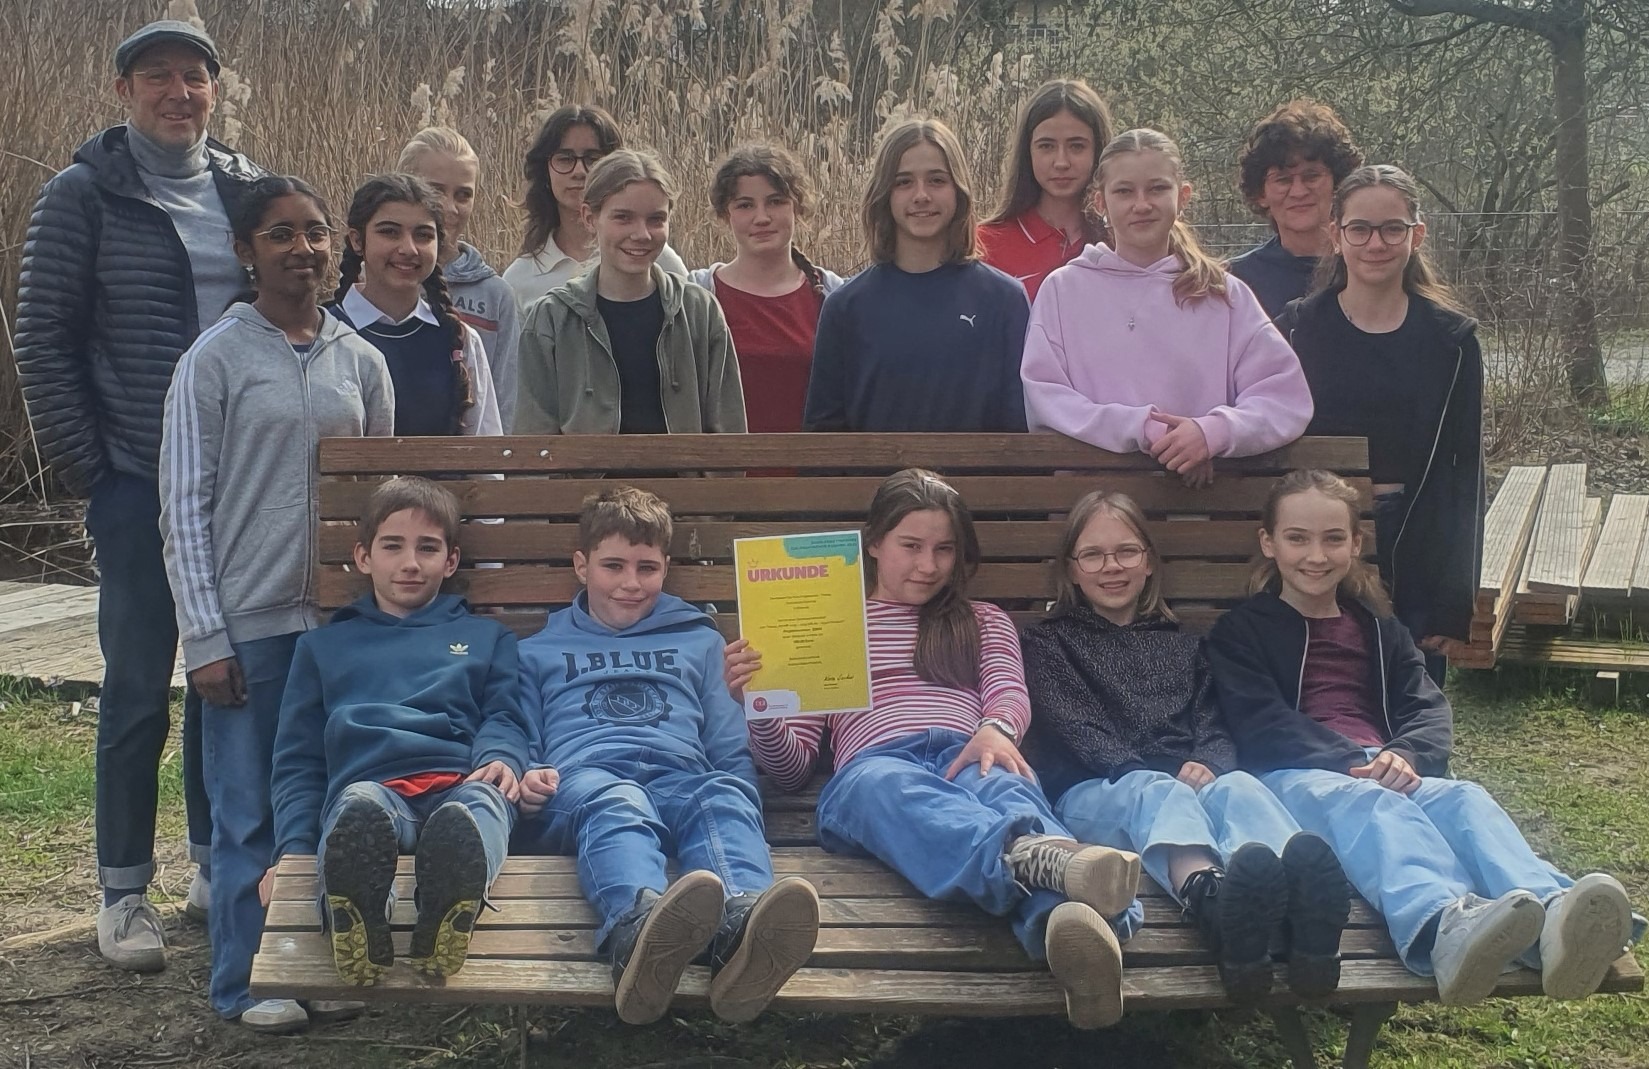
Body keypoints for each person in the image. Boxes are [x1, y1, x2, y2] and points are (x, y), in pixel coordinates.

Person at [12, 18, 266, 970]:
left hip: (237, 482)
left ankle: (210, 859)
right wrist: (97, 470)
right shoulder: (81, 194)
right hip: (136, 476)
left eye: (194, 76)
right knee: (134, 688)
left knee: (222, 675)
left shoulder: (247, 190)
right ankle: (123, 890)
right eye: (156, 76)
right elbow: (42, 340)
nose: (177, 92)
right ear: (124, 92)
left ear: (214, 90)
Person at [1206, 469, 1643, 1005]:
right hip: (1294, 778)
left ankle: (1556, 919)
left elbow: (1427, 705)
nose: (1316, 555)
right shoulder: (1240, 632)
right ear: (1268, 543)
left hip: (1387, 767)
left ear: (1356, 544)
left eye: (1333, 538)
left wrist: (1405, 753)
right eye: (1298, 538)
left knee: (1464, 799)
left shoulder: (1379, 629)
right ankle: (1442, 926)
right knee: (1374, 804)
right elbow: (1258, 721)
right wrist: (1357, 760)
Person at [727, 469, 1144, 1029]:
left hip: (970, 751)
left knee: (1007, 787)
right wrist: (763, 709)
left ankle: (1068, 930)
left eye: (944, 549)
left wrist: (997, 728)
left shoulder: (981, 620)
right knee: (883, 788)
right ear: (874, 544)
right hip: (877, 766)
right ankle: (1059, 883)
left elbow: (1007, 690)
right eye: (911, 546)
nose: (928, 565)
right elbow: (791, 769)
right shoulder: (826, 626)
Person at [159, 175, 395, 1029]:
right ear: (245, 251)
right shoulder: (213, 359)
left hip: (335, 627)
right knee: (248, 810)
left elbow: (379, 505)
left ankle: (320, 966)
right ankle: (247, 978)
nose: (303, 249)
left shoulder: (361, 362)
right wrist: (205, 635)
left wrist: (375, 622)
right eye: (281, 234)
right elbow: (184, 504)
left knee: (335, 800)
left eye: (316, 232)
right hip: (249, 625)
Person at [1019, 490, 1350, 1002]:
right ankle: (1212, 903)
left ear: (1149, 561)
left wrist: (1210, 761)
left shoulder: (1184, 644)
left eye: (1126, 552)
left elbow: (1213, 716)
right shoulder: (1048, 643)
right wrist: (1139, 767)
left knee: (1240, 787)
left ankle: (1300, 906)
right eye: (1093, 555)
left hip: (1183, 783)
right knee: (1155, 789)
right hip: (1095, 793)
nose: (1112, 566)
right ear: (1072, 569)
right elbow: (1075, 725)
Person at [513, 486, 819, 1025]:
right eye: (613, 566)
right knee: (620, 802)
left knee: (720, 795)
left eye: (647, 568)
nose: (630, 583)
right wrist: (526, 776)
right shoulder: (537, 650)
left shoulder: (699, 641)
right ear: (581, 566)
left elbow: (726, 742)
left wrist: (741, 798)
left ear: (666, 568)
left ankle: (743, 930)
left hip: (681, 774)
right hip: (584, 782)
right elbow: (519, 729)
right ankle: (637, 931)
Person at [266, 478, 533, 997]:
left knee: (481, 805)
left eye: (427, 548)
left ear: (451, 562)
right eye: (393, 546)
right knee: (357, 812)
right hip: (371, 785)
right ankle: (356, 920)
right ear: (363, 557)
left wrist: (502, 755)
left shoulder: (486, 638)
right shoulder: (323, 647)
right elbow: (297, 760)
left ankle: (446, 911)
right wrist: (293, 851)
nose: (410, 563)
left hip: (460, 779)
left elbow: (505, 713)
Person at [1275, 165, 1482, 684]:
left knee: (1408, 704)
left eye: (1392, 229)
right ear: (1336, 234)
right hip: (1315, 543)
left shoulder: (1452, 342)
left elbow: (1464, 475)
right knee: (1320, 695)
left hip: (1413, 542)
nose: (1376, 243)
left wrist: (1454, 599)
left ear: (1417, 234)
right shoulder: (1297, 330)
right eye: (1360, 229)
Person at [1020, 129, 1311, 487]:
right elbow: (1047, 398)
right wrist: (1143, 428)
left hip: (1199, 503)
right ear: (1100, 203)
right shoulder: (1063, 291)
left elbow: (1283, 398)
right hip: (1091, 504)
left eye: (1157, 189)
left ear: (1182, 196)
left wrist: (1212, 432)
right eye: (1124, 191)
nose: (1142, 205)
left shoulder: (1223, 294)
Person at [803, 119, 1029, 433]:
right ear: (884, 194)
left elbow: (1019, 428)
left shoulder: (1005, 301)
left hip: (979, 468)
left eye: (936, 180)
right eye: (904, 182)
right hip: (874, 469)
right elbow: (823, 435)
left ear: (958, 190)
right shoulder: (845, 307)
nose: (921, 195)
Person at [513, 150, 746, 435]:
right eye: (623, 218)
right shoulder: (551, 318)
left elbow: (728, 434)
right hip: (585, 467)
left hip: (684, 467)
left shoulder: (700, 311)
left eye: (656, 219)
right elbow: (535, 437)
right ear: (589, 217)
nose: (641, 234)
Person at [328, 173, 503, 437]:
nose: (408, 249)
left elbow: (485, 451)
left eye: (423, 235)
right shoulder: (325, 335)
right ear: (357, 240)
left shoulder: (458, 340)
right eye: (390, 232)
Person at [689, 144, 846, 433]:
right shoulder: (698, 295)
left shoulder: (832, 296)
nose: (762, 217)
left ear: (797, 207)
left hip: (813, 462)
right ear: (725, 214)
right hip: (723, 462)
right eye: (745, 205)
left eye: (775, 202)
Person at [503, 104, 688, 308]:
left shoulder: (653, 257)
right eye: (565, 159)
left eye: (593, 159)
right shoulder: (521, 278)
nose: (579, 171)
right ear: (545, 171)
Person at [398, 127, 522, 428]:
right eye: (436, 191)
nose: (450, 208)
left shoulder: (495, 296)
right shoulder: (374, 287)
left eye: (463, 195)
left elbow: (506, 405)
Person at [976, 79, 1114, 303]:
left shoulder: (1120, 242)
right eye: (1046, 146)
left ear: (1099, 150)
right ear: (1028, 152)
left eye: (1077, 146)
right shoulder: (984, 245)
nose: (1061, 162)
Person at [1227, 101, 1364, 318]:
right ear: (1261, 194)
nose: (1298, 192)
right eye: (1283, 180)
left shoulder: (1370, 266)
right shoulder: (1234, 281)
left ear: (1338, 184)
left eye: (1312, 176)